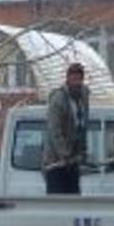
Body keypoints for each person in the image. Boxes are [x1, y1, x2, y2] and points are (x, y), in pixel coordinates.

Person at [42, 62, 89, 194]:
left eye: (79, 78)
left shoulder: (83, 96)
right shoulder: (59, 99)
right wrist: (64, 154)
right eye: (74, 78)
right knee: (58, 201)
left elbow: (83, 125)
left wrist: (82, 150)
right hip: (56, 162)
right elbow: (55, 130)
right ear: (67, 78)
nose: (76, 82)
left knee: (73, 200)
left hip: (73, 160)